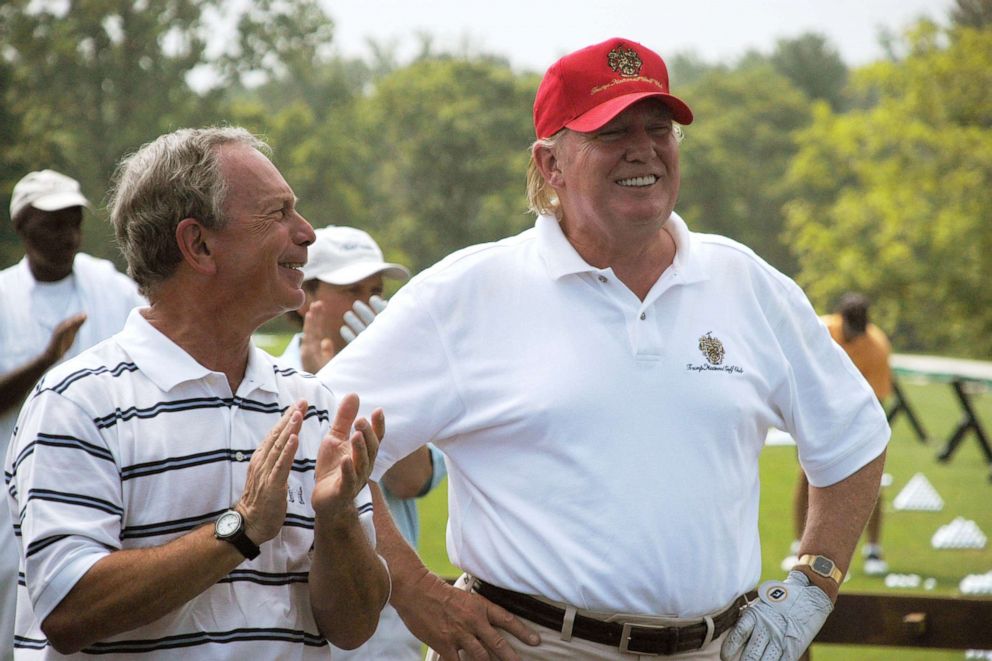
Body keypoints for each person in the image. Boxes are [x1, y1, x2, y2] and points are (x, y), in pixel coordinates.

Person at [320, 37, 889, 661]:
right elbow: (314, 442)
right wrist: (416, 590)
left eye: (659, 127)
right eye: (611, 131)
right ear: (549, 164)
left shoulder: (746, 283)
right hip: (531, 649)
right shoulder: (468, 292)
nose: (643, 148)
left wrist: (813, 585)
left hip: (717, 649)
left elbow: (854, 435)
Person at [4, 127, 389, 659]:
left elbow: (354, 628)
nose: (306, 234)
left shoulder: (315, 403)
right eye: (277, 214)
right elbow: (66, 609)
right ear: (199, 244)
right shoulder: (76, 402)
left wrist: (339, 519)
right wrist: (240, 528)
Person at [279, 225, 446, 660]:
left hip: (387, 626)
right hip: (293, 614)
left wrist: (384, 375)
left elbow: (411, 480)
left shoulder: (408, 381)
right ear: (306, 296)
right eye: (351, 288)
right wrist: (326, 385)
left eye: (376, 289)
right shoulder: (272, 380)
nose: (370, 303)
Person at [0, 169, 145, 660]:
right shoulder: (2, 299)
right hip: (13, 502)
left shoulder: (112, 288)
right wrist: (45, 361)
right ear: (22, 227)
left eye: (73, 222)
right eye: (51, 224)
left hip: (113, 489)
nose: (67, 236)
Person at [783, 292, 893, 578]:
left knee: (871, 478)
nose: (854, 338)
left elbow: (876, 402)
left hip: (856, 416)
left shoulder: (877, 347)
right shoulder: (818, 330)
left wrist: (866, 441)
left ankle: (873, 550)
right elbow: (795, 376)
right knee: (807, 475)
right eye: (849, 330)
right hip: (815, 410)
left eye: (859, 332)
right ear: (840, 318)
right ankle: (799, 545)